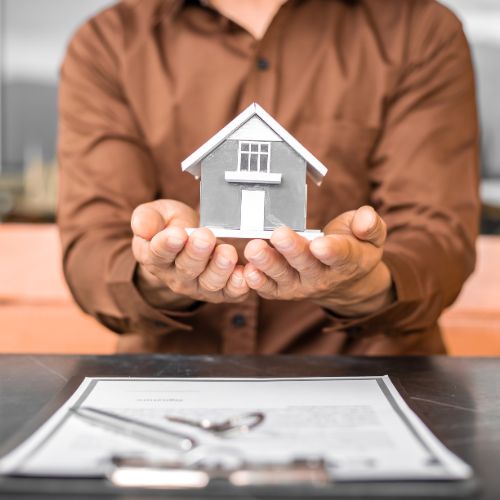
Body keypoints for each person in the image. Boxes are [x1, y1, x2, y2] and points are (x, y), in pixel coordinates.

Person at [58, 0, 479, 354]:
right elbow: (93, 249)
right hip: (171, 388)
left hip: (368, 379)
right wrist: (155, 273)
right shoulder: (109, 42)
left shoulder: (418, 29)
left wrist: (363, 284)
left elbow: (437, 236)